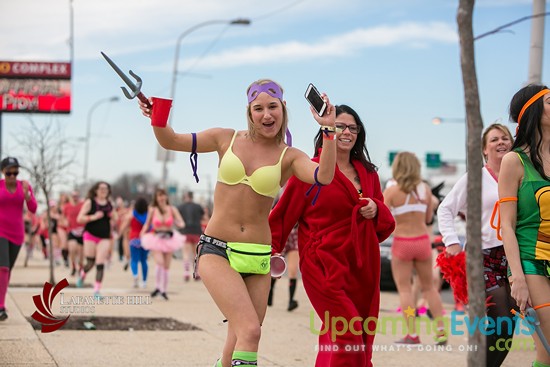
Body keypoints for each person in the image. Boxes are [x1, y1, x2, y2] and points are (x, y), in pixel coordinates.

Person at [139, 78, 337, 367]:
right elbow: (171, 140)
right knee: (250, 330)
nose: (266, 115)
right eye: (259, 108)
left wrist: (328, 129)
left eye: (273, 107)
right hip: (216, 250)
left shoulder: (289, 156)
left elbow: (324, 176)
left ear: (283, 109)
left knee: (238, 339)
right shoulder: (225, 138)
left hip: (258, 258)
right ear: (249, 111)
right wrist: (156, 115)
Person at [269, 104, 394, 366]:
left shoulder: (369, 173)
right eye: (340, 126)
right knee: (347, 335)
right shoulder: (309, 170)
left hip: (362, 267)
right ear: (328, 129)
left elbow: (385, 223)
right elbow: (281, 218)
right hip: (323, 266)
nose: (347, 132)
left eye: (353, 127)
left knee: (353, 336)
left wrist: (375, 207)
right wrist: (266, 254)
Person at [438, 123, 516, 367]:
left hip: (515, 256)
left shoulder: (519, 174)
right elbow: (445, 209)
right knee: (501, 321)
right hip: (484, 258)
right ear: (484, 149)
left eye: (505, 138)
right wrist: (451, 241)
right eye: (494, 140)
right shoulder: (475, 177)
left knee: (508, 326)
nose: (501, 142)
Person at [498, 84, 550, 367]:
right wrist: (516, 277)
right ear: (532, 111)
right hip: (531, 263)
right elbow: (507, 224)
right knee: (548, 348)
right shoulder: (513, 161)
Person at [382, 151, 447, 345]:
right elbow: (428, 219)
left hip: (402, 242)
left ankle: (412, 334)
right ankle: (441, 332)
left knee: (405, 290)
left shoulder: (392, 192)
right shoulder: (425, 190)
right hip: (422, 242)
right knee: (429, 288)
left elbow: (384, 220)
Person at [0, 157, 37, 320]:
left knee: (7, 271)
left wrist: (28, 195)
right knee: (3, 267)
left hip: (17, 233)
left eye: (16, 172)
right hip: (0, 231)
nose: (13, 175)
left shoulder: (25, 186)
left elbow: (33, 208)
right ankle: (1, 306)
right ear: (3, 172)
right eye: (9, 172)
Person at [140, 188, 185, 299]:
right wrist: (142, 233)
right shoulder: (153, 210)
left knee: (166, 266)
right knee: (159, 262)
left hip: (169, 238)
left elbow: (181, 223)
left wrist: (177, 223)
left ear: (166, 197)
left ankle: (163, 290)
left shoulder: (172, 209)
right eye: (159, 196)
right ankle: (157, 287)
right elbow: (147, 223)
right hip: (156, 238)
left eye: (163, 195)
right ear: (156, 198)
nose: (161, 198)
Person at [76, 181, 118, 298]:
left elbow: (116, 217)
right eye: (101, 188)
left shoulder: (110, 204)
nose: (104, 191)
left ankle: (96, 291)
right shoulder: (90, 203)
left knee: (100, 263)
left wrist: (112, 215)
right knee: (90, 262)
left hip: (104, 237)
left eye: (106, 189)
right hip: (90, 235)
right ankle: (83, 274)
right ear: (96, 190)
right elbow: (80, 218)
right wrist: (93, 217)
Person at [267, 223, 300, 311]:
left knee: (293, 270)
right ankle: (269, 292)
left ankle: (291, 301)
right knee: (276, 268)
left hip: (295, 235)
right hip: (282, 234)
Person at [119, 197, 149, 288]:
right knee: (144, 261)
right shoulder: (148, 215)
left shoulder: (131, 215)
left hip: (134, 239)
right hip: (145, 239)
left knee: (134, 260)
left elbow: (123, 227)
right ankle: (144, 281)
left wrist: (119, 234)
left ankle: (135, 276)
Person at [176, 191, 204, 281]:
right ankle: (196, 273)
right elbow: (202, 216)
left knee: (186, 254)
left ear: (185, 196)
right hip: (196, 232)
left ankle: (186, 272)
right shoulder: (198, 207)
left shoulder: (180, 207)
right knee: (195, 254)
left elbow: (177, 219)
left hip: (185, 232)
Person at [63, 191, 85, 276]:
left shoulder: (82, 205)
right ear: (71, 197)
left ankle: (81, 266)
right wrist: (65, 222)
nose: (75, 197)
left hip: (82, 230)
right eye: (73, 196)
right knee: (72, 248)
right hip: (71, 230)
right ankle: (73, 266)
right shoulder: (67, 206)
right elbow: (63, 217)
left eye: (76, 196)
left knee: (81, 252)